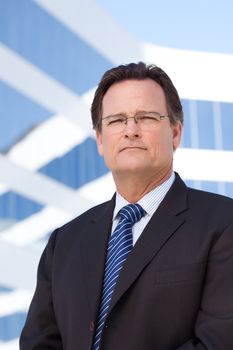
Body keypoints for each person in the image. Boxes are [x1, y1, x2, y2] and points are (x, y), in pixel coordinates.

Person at [20, 62, 233, 350]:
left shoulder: (223, 224)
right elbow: (39, 343)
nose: (130, 130)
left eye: (146, 117)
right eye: (117, 120)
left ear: (175, 133)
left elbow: (218, 342)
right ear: (100, 139)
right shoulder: (64, 243)